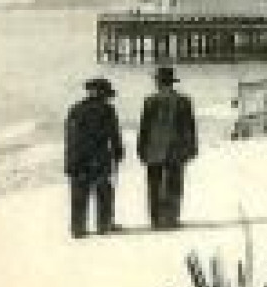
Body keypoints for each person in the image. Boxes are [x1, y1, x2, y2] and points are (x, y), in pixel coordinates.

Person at [136, 66, 197, 230]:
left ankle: (155, 220)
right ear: (172, 83)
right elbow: (189, 128)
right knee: (174, 184)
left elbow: (144, 128)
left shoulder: (149, 101)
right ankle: (171, 218)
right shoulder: (184, 101)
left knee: (153, 185)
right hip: (176, 149)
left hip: (153, 150)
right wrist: (192, 148)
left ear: (158, 82)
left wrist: (140, 149)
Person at [64, 76, 124, 238]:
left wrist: (70, 161)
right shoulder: (107, 110)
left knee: (79, 193)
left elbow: (69, 137)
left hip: (77, 158)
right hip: (99, 157)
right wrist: (118, 152)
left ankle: (78, 228)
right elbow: (114, 134)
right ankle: (103, 225)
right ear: (103, 94)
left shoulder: (75, 109)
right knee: (104, 191)